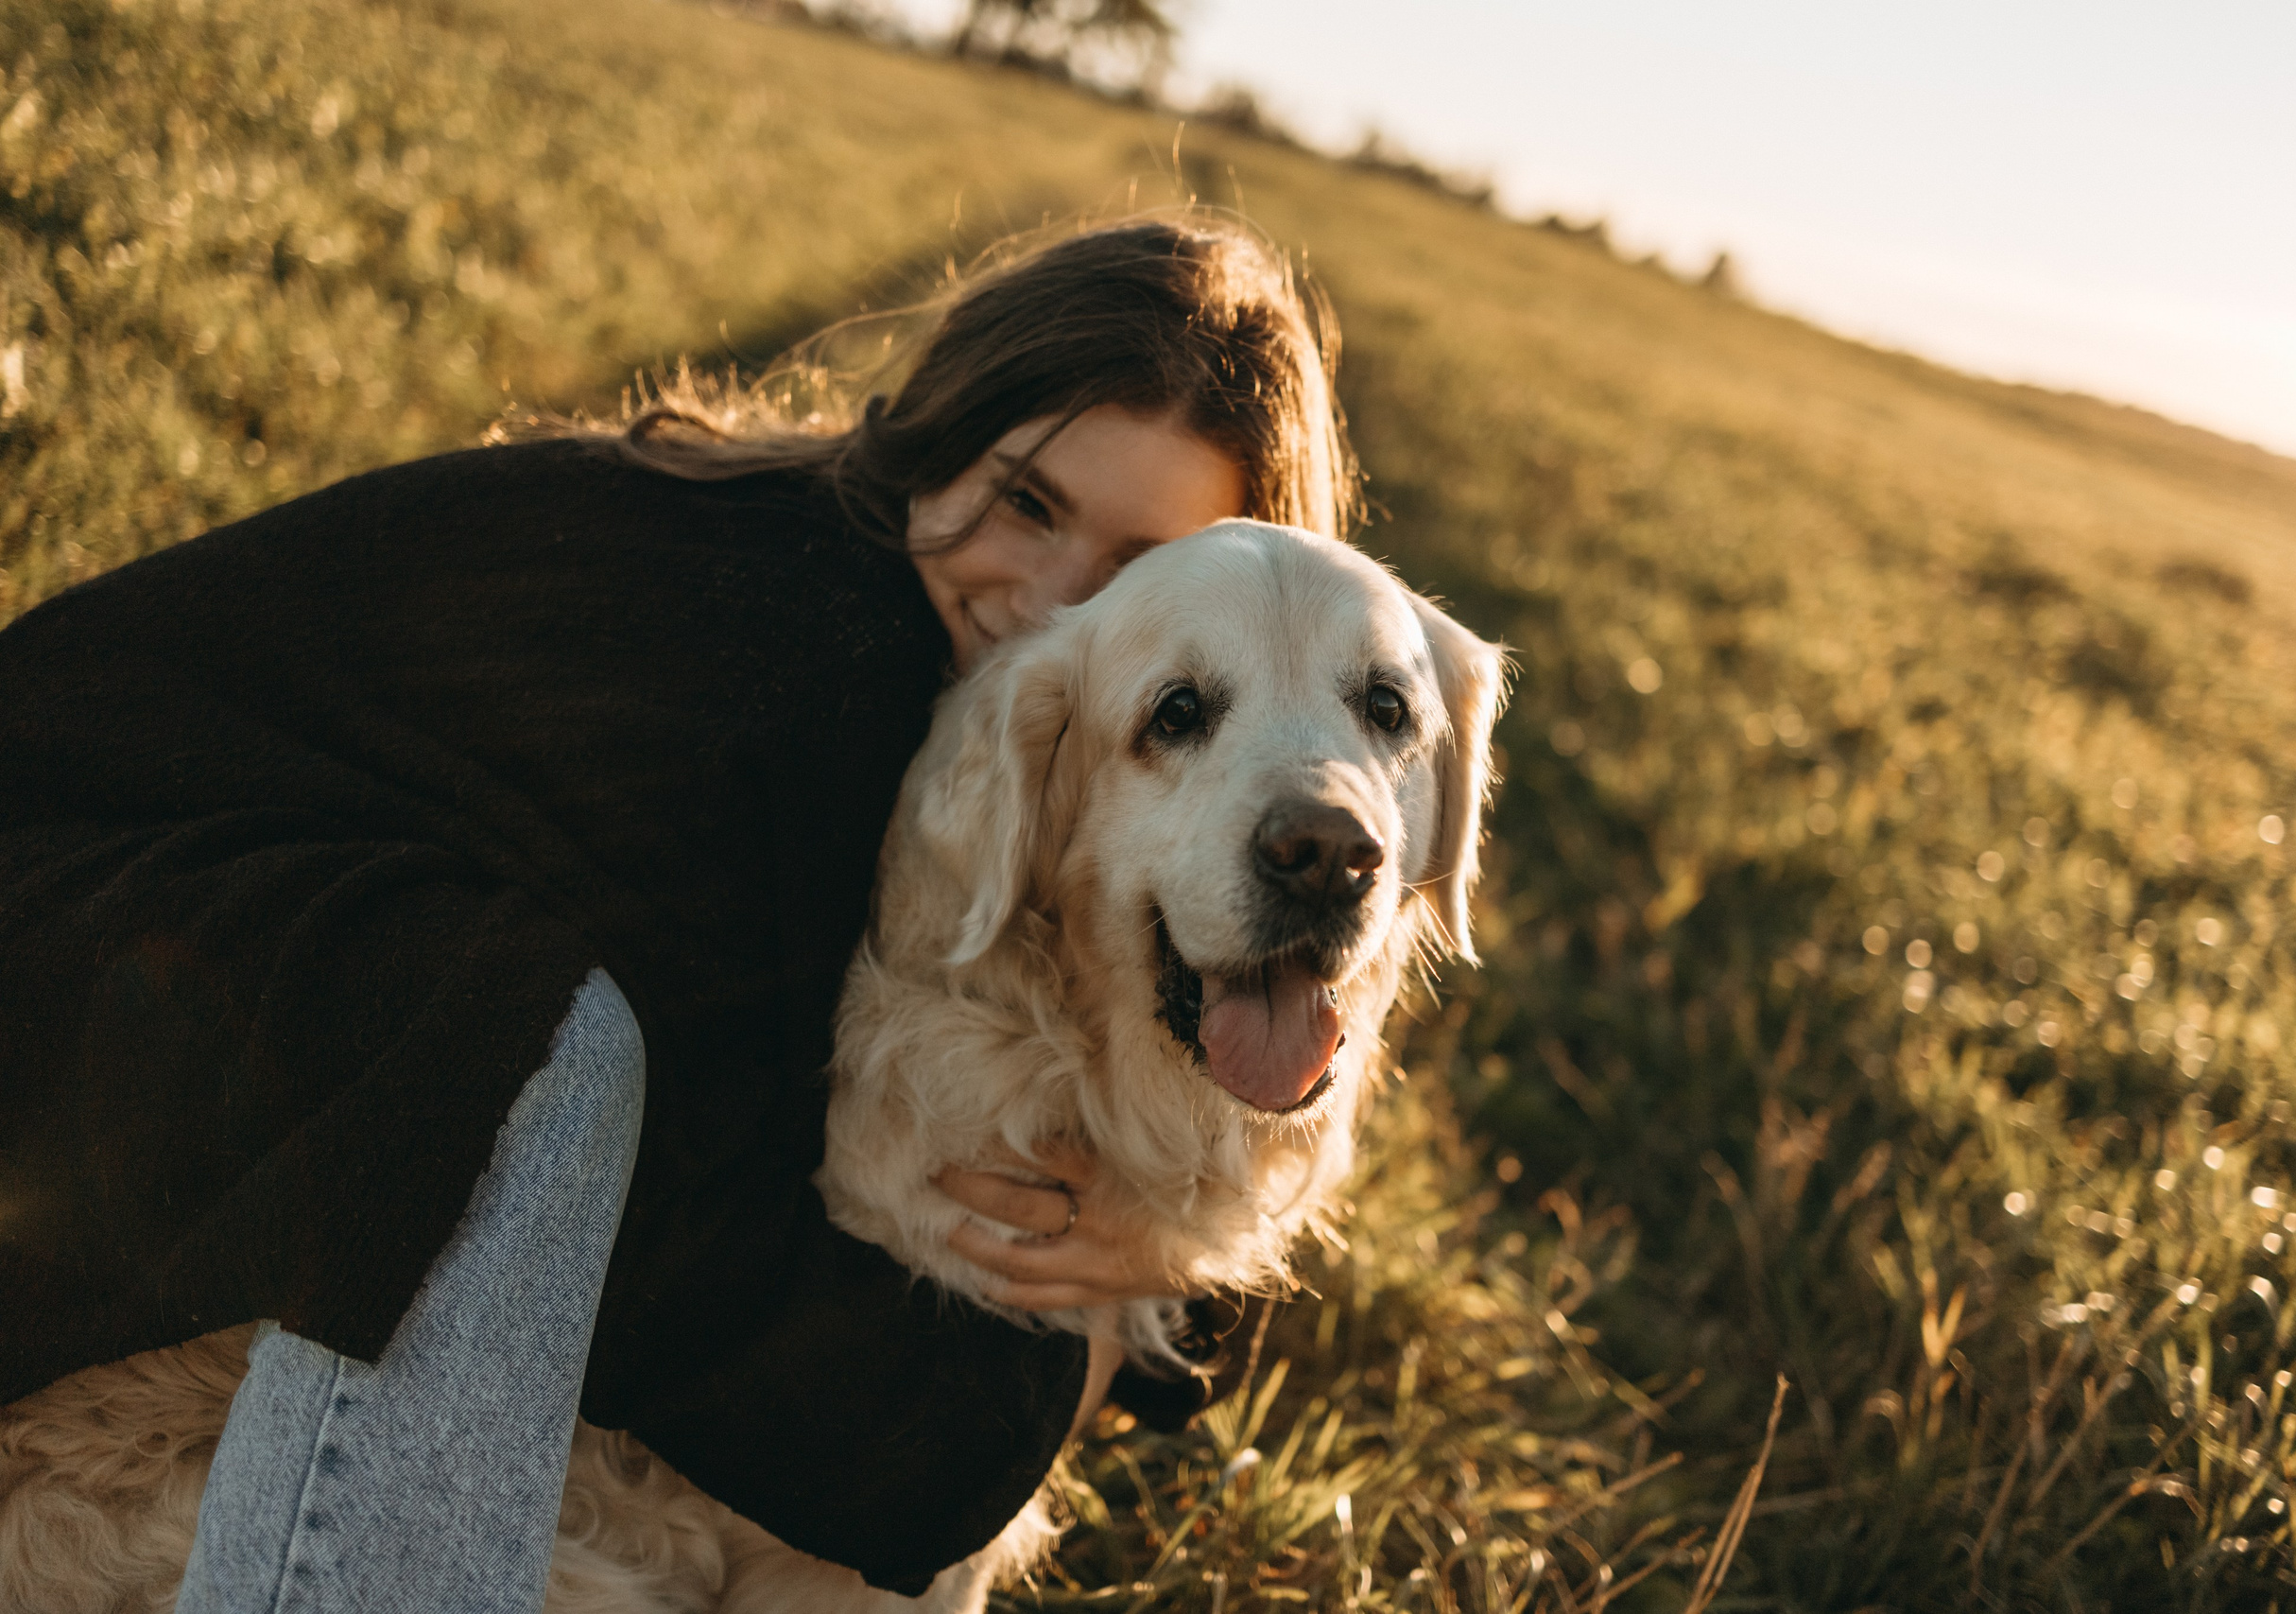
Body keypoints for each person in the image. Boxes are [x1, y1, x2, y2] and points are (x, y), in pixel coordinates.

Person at [0, 215, 1361, 1611]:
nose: (1058, 608)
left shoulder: (970, 660)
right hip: (67, 951)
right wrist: (1033, 1389)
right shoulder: (798, 653)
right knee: (531, 1045)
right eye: (1027, 504)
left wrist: (1174, 1274)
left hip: (177, 987)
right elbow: (678, 1272)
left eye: (1143, 571)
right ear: (925, 442)